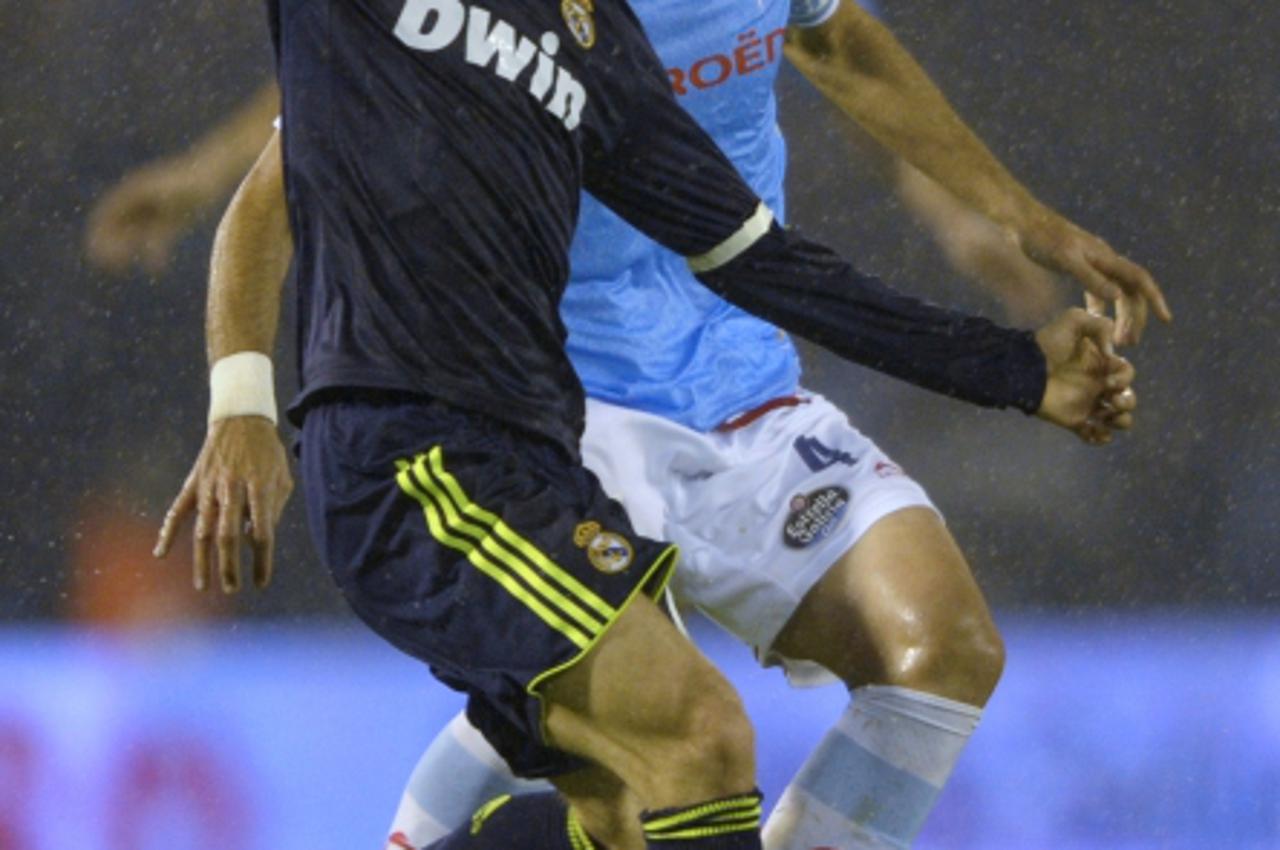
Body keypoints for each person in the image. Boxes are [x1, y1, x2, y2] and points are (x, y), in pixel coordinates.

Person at [152, 1, 1163, 849]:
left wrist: (1010, 352)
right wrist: (239, 398)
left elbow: (770, 236)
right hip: (484, 430)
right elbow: (283, 174)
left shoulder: (594, 53)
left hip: (649, 411)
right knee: (684, 737)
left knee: (667, 782)